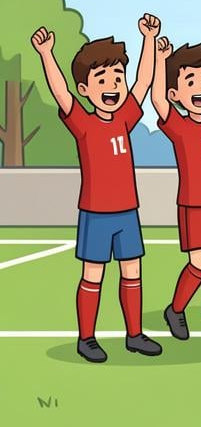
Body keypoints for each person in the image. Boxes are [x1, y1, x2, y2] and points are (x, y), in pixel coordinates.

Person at [31, 18, 164, 363]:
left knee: (132, 271)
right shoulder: (84, 124)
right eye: (102, 79)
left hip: (127, 212)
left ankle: (133, 334)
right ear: (85, 89)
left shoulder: (124, 119)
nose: (113, 85)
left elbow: (145, 81)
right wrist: (47, 54)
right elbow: (61, 93)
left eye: (118, 77)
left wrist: (148, 39)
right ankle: (86, 338)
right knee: (93, 274)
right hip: (95, 213)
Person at [151, 37, 201, 339]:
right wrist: (161, 59)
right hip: (193, 205)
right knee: (199, 262)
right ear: (176, 93)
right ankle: (175, 310)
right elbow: (157, 101)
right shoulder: (178, 125)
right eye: (191, 81)